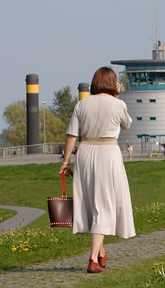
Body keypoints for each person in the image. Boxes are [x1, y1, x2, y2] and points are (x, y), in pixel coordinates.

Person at [59, 66, 135, 274]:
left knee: (91, 203)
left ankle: (101, 252)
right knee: (104, 204)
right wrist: (118, 96)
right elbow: (127, 124)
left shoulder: (82, 104)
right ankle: (93, 258)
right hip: (107, 153)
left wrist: (66, 162)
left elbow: (71, 136)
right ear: (113, 83)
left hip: (85, 153)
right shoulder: (118, 104)